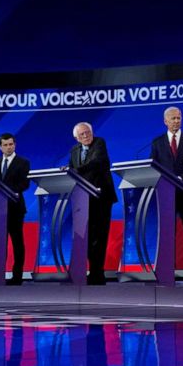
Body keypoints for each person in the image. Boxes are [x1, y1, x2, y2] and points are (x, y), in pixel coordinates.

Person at [150, 107, 183, 265]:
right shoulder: (157, 142)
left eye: (178, 118)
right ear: (165, 121)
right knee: (167, 233)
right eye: (173, 118)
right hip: (166, 194)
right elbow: (153, 165)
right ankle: (167, 268)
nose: (176, 121)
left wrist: (179, 178)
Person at [68, 122, 117, 285]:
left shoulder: (99, 143)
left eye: (88, 132)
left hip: (101, 197)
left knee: (99, 237)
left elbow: (96, 163)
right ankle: (91, 270)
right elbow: (70, 170)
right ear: (76, 138)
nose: (86, 136)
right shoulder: (74, 150)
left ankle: (98, 273)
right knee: (87, 238)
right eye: (82, 134)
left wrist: (77, 170)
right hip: (83, 200)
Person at [0, 133, 30, 285]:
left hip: (15, 208)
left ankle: (17, 276)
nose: (9, 147)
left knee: (17, 242)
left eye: (11, 144)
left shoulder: (23, 162)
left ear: (15, 145)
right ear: (0, 147)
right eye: (5, 145)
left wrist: (6, 191)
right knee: (0, 243)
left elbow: (24, 184)